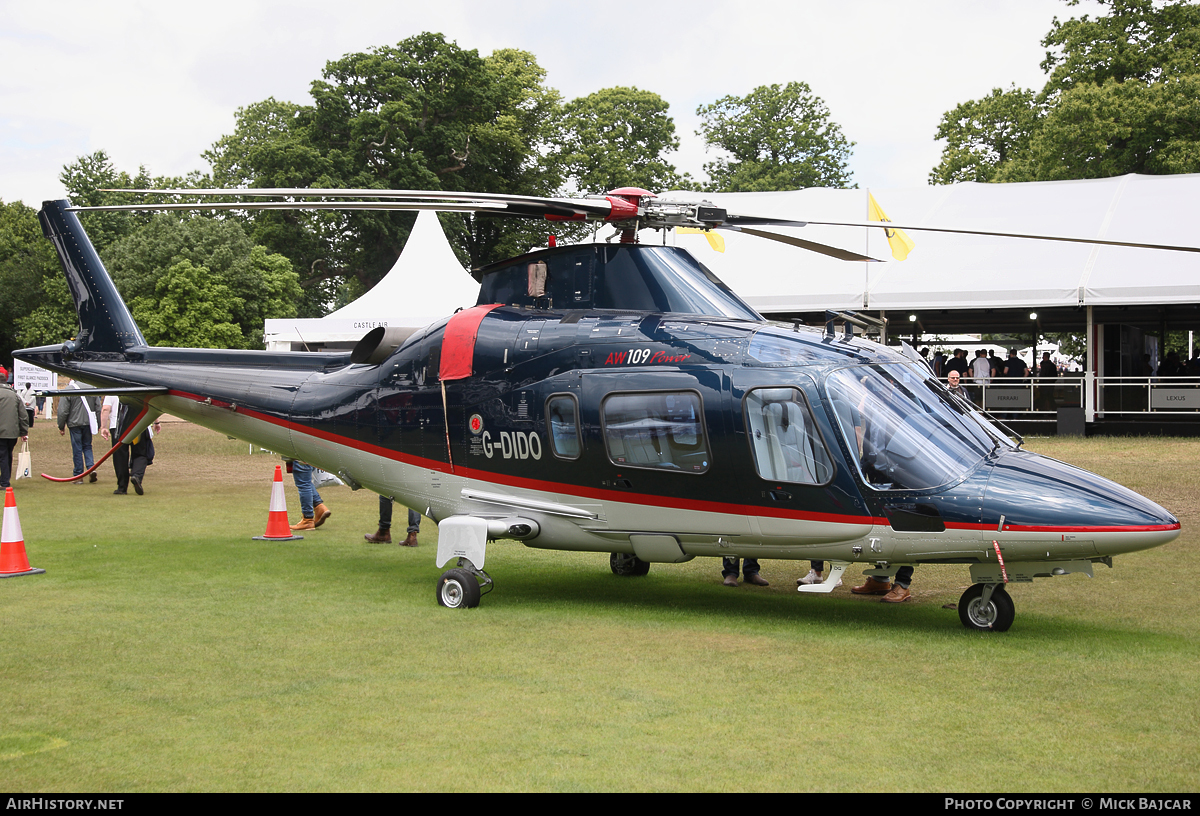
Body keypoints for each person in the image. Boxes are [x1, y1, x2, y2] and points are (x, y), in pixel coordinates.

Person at [100, 397, 162, 495]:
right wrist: (156, 421)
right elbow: (151, 405)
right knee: (141, 453)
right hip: (138, 424)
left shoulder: (113, 389)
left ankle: (122, 487)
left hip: (118, 427)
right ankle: (137, 475)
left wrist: (103, 427)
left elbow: (105, 409)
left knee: (120, 456)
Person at [58, 380, 100, 484]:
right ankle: (91, 468)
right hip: (88, 423)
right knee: (87, 446)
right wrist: (98, 424)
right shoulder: (92, 388)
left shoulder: (69, 389)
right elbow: (98, 407)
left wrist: (61, 425)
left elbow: (63, 410)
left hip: (74, 423)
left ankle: (78, 475)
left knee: (77, 448)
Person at [0, 372, 30, 488]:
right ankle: (5, 479)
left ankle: (4, 482)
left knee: (3, 455)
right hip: (12, 432)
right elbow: (23, 415)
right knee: (7, 455)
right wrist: (24, 432)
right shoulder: (15, 395)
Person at [289, 461, 331, 531]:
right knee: (306, 481)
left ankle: (307, 519)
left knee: (303, 483)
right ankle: (319, 507)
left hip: (301, 454)